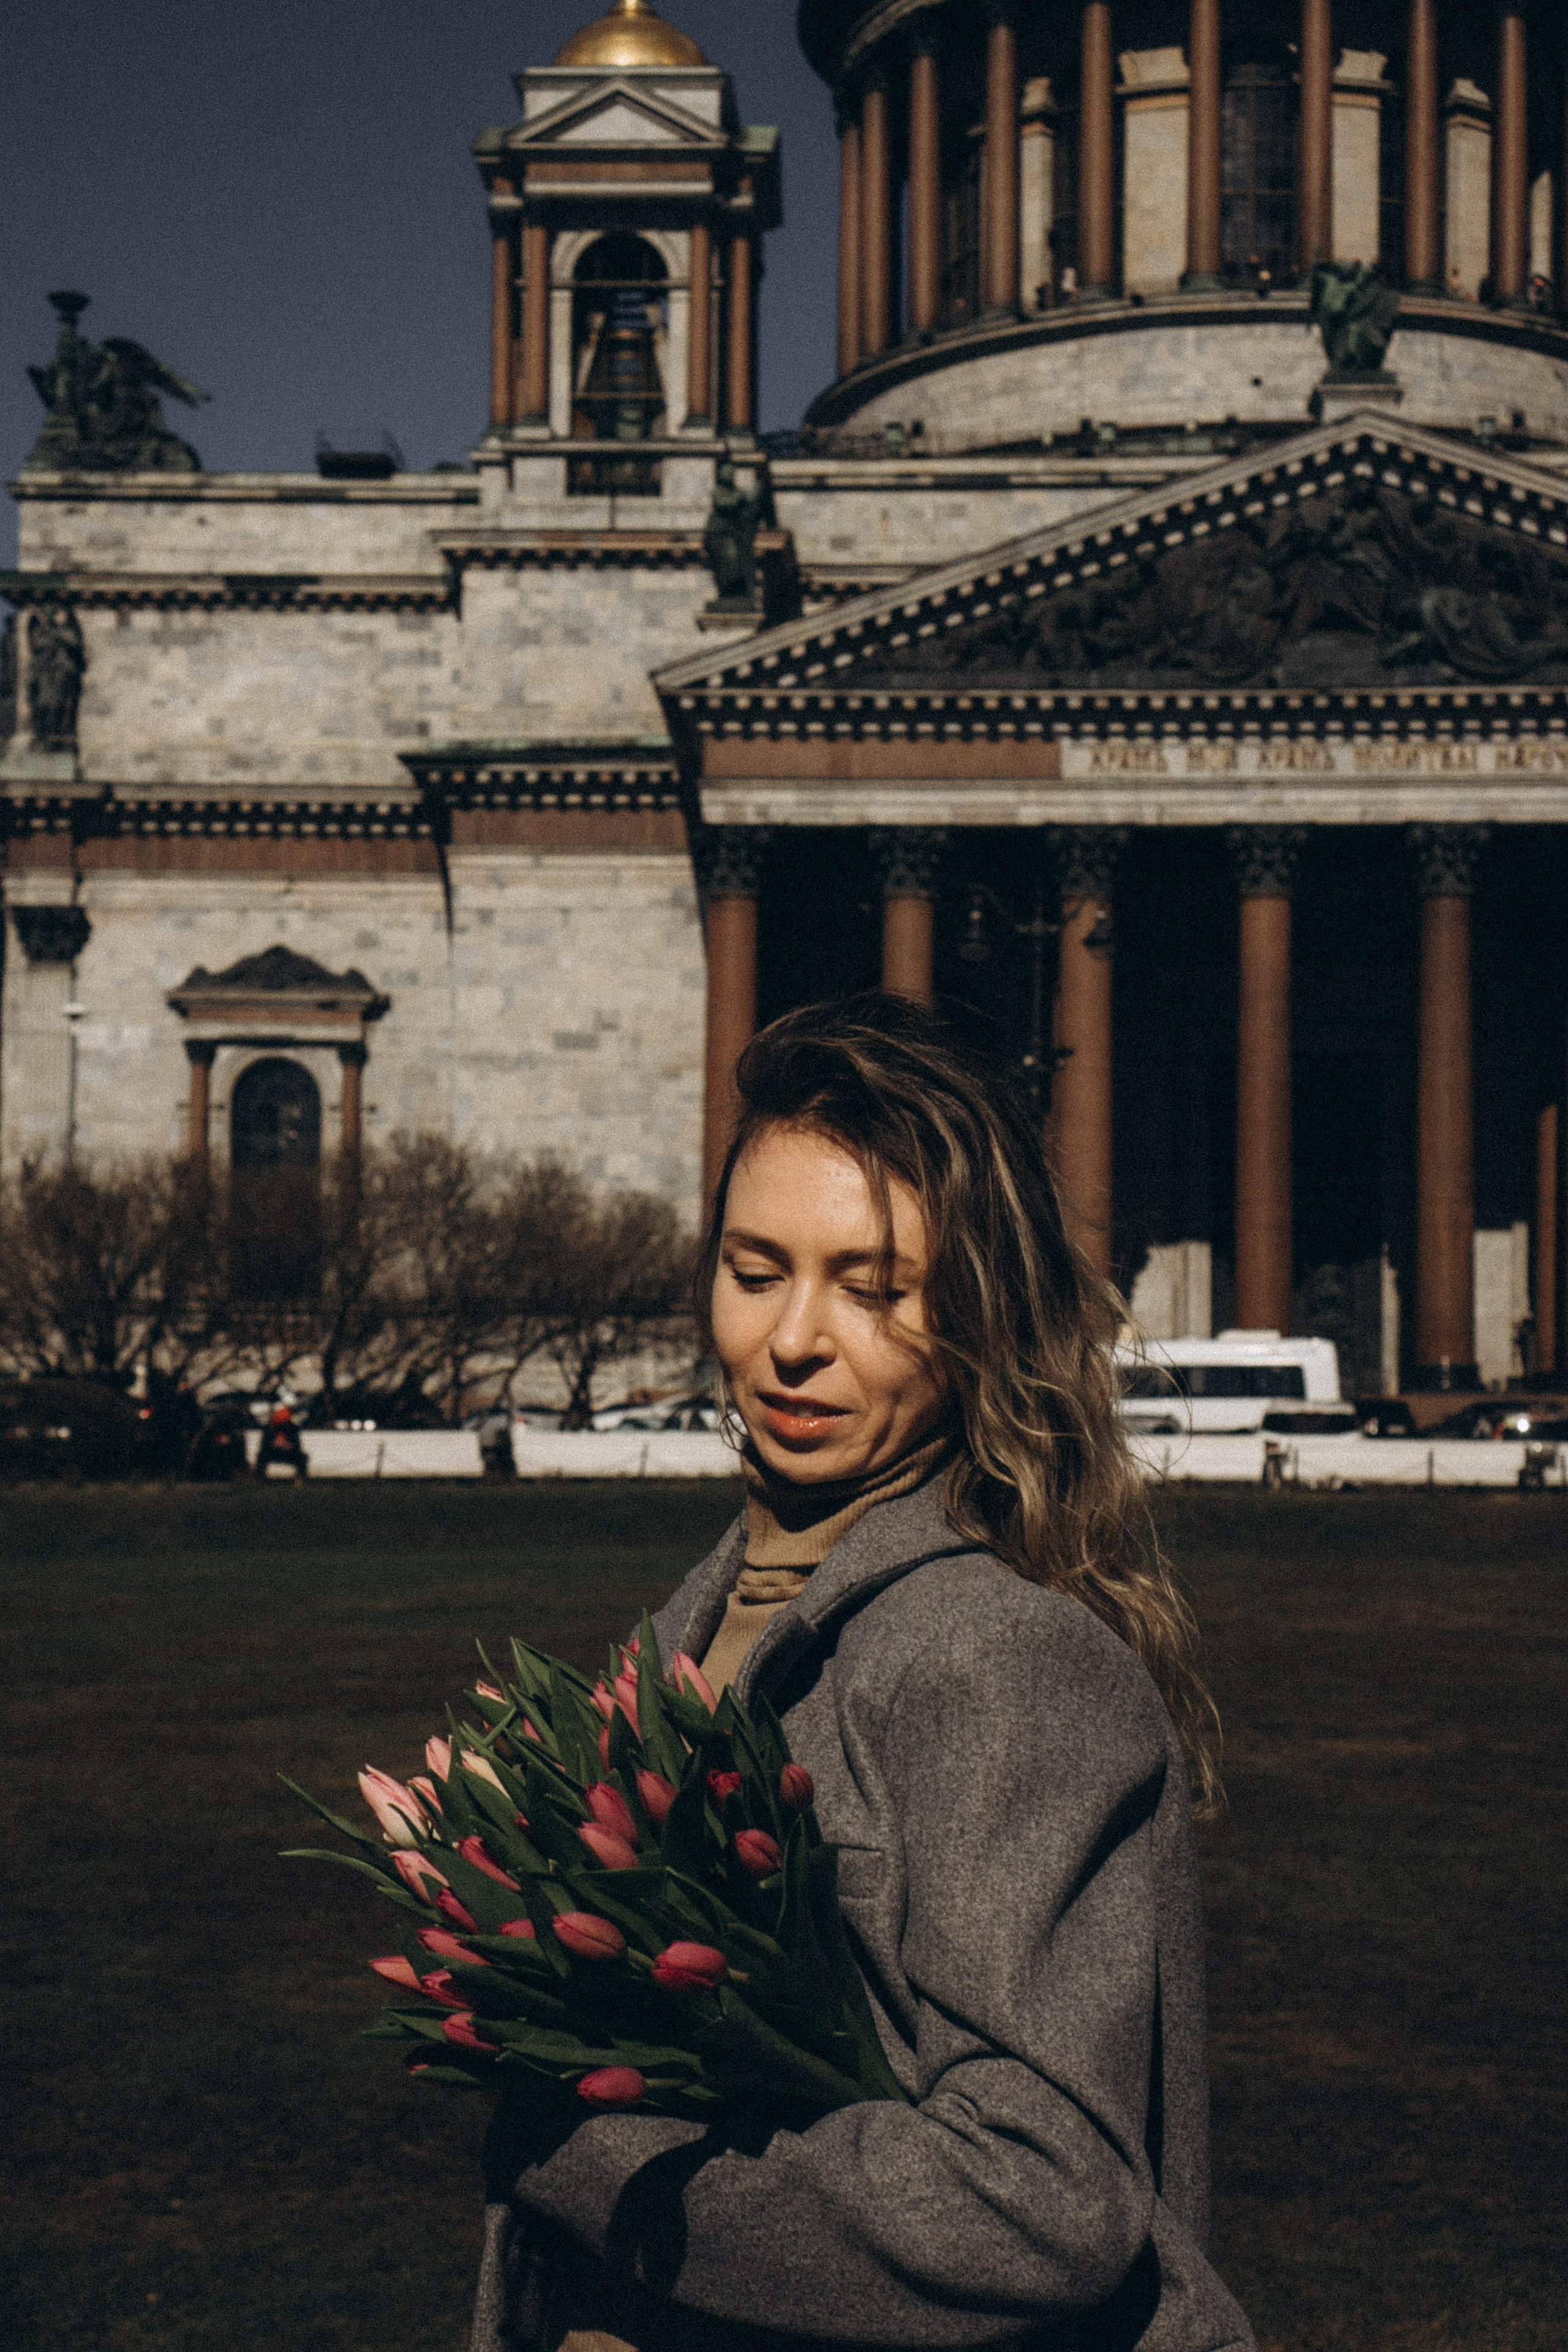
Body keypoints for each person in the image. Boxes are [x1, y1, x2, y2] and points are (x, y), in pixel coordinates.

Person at [472, 995, 1253, 2352]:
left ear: (976, 1313)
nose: (791, 1342)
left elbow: (1035, 2200)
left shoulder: (994, 1660)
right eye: (755, 1268)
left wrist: (584, 2151)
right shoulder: (694, 1619)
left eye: (873, 1290)